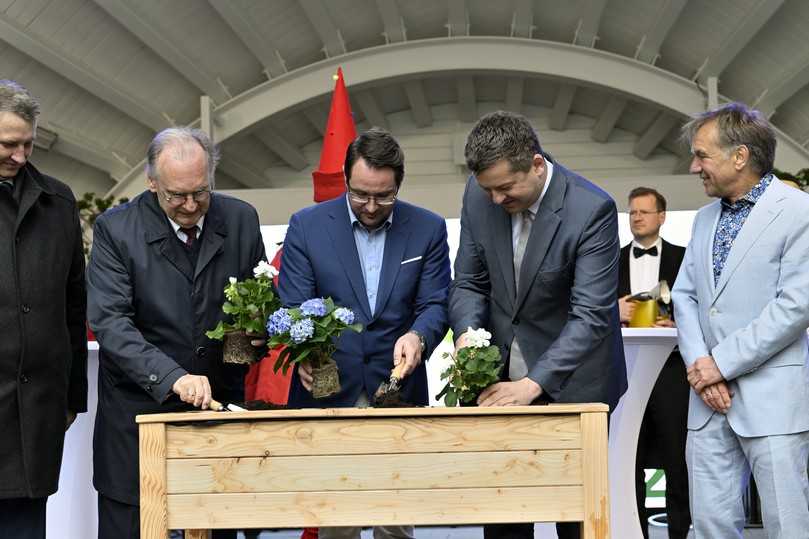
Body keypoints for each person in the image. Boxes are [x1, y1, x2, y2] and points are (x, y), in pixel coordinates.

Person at [449, 110, 627, 539]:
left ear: (537, 164)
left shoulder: (591, 209)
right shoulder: (478, 196)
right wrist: (469, 339)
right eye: (487, 189)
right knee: (506, 515)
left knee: (575, 520)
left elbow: (591, 315)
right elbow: (469, 282)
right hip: (499, 385)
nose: (494, 200)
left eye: (505, 188)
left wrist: (532, 385)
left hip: (575, 383)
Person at [87, 127, 266, 539]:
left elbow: (257, 297)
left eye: (201, 193)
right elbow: (111, 322)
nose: (190, 205)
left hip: (217, 411)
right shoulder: (116, 230)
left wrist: (254, 337)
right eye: (176, 195)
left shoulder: (240, 219)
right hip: (138, 414)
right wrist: (173, 379)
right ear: (152, 183)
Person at [278, 127, 451, 539]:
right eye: (360, 194)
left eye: (384, 196)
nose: (371, 206)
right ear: (345, 179)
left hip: (398, 389)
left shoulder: (427, 228)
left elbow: (436, 304)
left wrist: (419, 337)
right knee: (337, 519)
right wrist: (306, 355)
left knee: (396, 521)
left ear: (399, 185)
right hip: (328, 388)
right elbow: (293, 303)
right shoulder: (307, 225)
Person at [673, 102, 809, 538]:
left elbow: (795, 306)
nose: (695, 167)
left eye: (702, 155)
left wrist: (721, 363)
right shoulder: (702, 219)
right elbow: (685, 296)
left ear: (740, 156)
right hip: (706, 402)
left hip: (773, 400)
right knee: (709, 523)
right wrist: (701, 371)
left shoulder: (798, 211)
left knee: (786, 524)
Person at [0, 80, 87, 539]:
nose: (20, 156)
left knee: (25, 525)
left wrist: (73, 395)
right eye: (8, 144)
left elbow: (75, 302)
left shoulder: (57, 201)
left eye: (28, 143)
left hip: (35, 406)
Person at [617, 187, 690, 539]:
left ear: (662, 216)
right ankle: (635, 532)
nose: (637, 217)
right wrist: (612, 310)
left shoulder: (684, 257)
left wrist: (678, 324)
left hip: (672, 370)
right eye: (632, 212)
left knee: (677, 457)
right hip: (625, 372)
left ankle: (680, 531)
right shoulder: (608, 261)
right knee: (630, 457)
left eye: (645, 212)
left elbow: (702, 308)